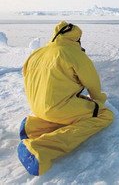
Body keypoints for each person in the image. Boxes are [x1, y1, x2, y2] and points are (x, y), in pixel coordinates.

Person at [18, 21, 113, 176]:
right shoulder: (74, 54)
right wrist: (98, 102)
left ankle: (33, 127)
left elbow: (28, 77)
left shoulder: (37, 53)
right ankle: (40, 149)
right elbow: (93, 83)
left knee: (60, 110)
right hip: (57, 108)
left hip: (36, 106)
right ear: (77, 37)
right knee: (104, 115)